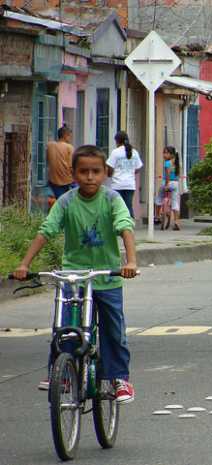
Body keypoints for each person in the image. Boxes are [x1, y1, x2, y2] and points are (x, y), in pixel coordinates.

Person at [13, 145, 138, 403]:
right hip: (73, 276)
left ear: (105, 173)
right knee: (65, 327)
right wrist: (24, 264)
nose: (89, 177)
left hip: (107, 277)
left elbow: (125, 227)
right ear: (73, 173)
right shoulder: (66, 201)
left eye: (95, 171)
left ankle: (119, 378)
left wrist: (131, 262)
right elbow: (46, 230)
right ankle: (60, 371)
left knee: (114, 329)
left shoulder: (112, 199)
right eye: (83, 172)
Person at [106, 131, 143, 218]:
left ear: (117, 141)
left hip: (117, 185)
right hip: (130, 185)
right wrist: (130, 172)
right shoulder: (134, 152)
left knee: (117, 206)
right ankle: (129, 225)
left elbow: (110, 166)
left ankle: (118, 225)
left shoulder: (115, 152)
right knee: (128, 206)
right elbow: (139, 167)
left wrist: (109, 174)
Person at [155, 146, 181, 230]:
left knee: (159, 197)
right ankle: (176, 222)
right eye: (164, 152)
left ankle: (157, 216)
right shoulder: (177, 163)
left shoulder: (167, 163)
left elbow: (167, 175)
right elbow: (178, 175)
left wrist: (166, 185)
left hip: (168, 182)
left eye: (166, 153)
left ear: (172, 154)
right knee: (175, 202)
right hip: (176, 184)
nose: (164, 155)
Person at [46, 125, 75, 199]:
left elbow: (47, 160)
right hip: (67, 181)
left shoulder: (50, 145)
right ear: (66, 136)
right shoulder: (69, 147)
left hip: (52, 180)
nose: (70, 139)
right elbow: (71, 166)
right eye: (70, 136)